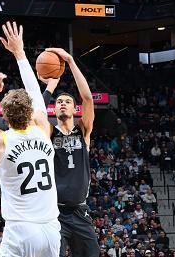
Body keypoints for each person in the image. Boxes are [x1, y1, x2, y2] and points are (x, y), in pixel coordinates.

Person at [0, 21, 60, 257]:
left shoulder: (0, 140)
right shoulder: (43, 129)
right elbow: (36, 95)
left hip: (21, 230)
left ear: (4, 117)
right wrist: (20, 53)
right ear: (32, 113)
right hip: (51, 229)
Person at [41, 48, 99, 257]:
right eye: (58, 102)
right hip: (55, 213)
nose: (62, 103)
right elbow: (37, 113)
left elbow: (88, 99)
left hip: (80, 211)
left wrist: (71, 62)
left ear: (75, 109)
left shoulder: (83, 131)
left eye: (67, 102)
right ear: (54, 110)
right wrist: (51, 86)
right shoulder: (48, 131)